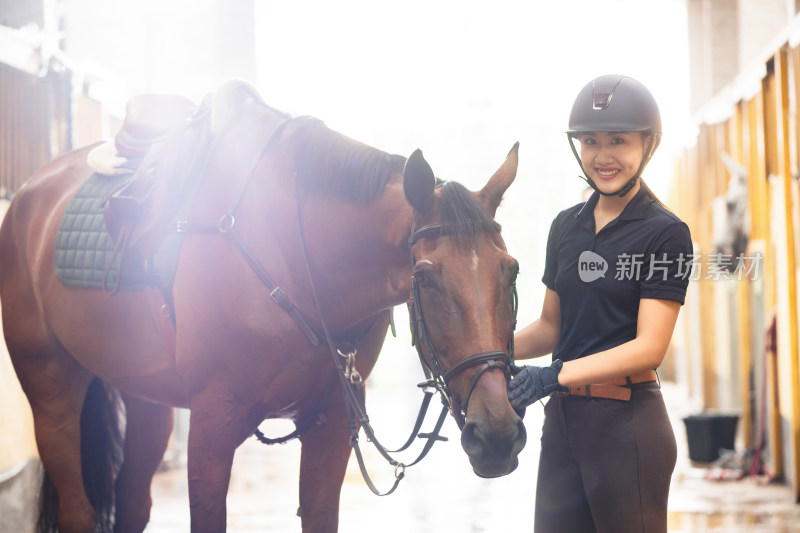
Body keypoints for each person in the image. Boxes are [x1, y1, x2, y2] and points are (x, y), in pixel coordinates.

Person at [508, 74, 692, 532]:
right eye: (590, 141)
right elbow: (551, 328)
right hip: (564, 423)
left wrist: (553, 374)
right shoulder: (565, 227)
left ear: (647, 145)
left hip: (627, 424)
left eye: (618, 141)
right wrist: (486, 352)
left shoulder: (666, 233)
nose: (603, 156)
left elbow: (650, 347)